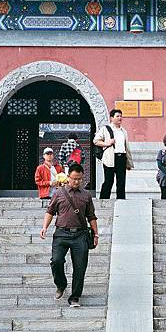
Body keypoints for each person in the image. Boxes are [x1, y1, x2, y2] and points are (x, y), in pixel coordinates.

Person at [40, 164, 98, 308]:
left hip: (80, 235)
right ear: (68, 177)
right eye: (74, 179)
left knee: (80, 267)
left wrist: (95, 234)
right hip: (61, 233)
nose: (76, 182)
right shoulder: (59, 193)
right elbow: (50, 211)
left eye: (79, 179)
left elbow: (91, 216)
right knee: (56, 261)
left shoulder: (86, 195)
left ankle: (75, 297)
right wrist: (44, 227)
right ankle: (61, 284)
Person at [93, 109, 134, 199]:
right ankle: (103, 200)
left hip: (122, 157)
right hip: (110, 157)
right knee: (109, 180)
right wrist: (107, 143)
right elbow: (96, 141)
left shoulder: (124, 131)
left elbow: (126, 147)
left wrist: (128, 162)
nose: (120, 118)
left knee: (121, 181)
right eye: (117, 116)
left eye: (121, 116)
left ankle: (121, 200)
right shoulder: (106, 129)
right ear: (111, 118)